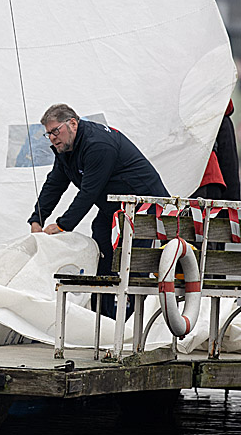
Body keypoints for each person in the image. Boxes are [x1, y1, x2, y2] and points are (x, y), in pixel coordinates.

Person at [27, 104, 168, 318]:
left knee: (132, 262)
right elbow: (55, 184)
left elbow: (89, 192)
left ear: (72, 123)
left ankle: (132, 322)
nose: (52, 138)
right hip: (115, 204)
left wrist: (63, 225)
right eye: (48, 134)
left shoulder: (97, 144)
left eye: (56, 131)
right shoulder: (65, 148)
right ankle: (103, 317)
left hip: (143, 202)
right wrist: (37, 218)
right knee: (101, 244)